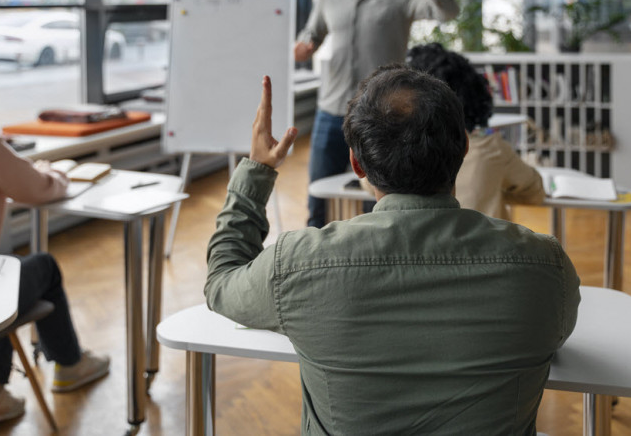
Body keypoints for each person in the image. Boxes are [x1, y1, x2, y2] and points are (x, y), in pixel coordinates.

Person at [205, 66, 580, 434]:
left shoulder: (298, 266)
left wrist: (256, 171)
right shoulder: (544, 268)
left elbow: (222, 281)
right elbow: (555, 338)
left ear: (357, 163)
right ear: (463, 148)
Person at [0, 55, 110, 423]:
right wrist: (54, 173)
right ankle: (62, 367)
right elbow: (40, 190)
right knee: (40, 267)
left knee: (10, 273)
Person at [295, 0, 459, 228]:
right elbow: (311, 36)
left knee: (380, 200)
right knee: (319, 196)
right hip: (331, 111)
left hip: (381, 116)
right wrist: (303, 48)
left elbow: (447, 12)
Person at [406, 43, 545, 220]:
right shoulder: (491, 148)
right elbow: (534, 192)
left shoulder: (401, 152)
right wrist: (497, 191)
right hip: (483, 244)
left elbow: (372, 184)